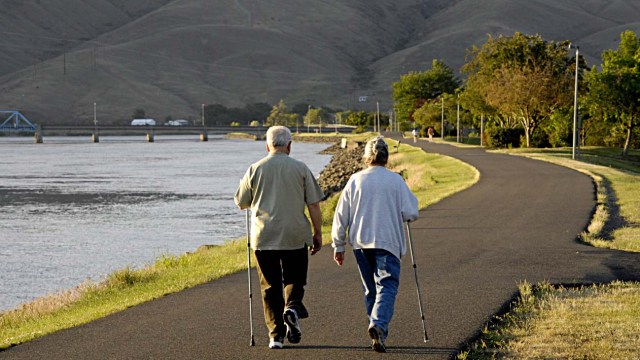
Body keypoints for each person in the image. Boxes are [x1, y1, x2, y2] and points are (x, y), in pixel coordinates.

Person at [234, 126, 324, 349]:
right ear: (289, 145)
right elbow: (313, 203)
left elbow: (241, 202)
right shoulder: (301, 168)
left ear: (267, 145)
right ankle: (292, 307)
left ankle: (276, 335)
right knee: (295, 278)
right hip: (295, 233)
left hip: (264, 237)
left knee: (270, 286)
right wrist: (318, 232)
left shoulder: (255, 169)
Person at [331, 136, 419, 353]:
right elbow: (411, 213)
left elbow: (341, 215)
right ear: (386, 157)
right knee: (387, 285)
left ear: (366, 157)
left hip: (361, 242)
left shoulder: (356, 180)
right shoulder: (395, 180)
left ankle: (376, 334)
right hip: (387, 241)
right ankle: (378, 325)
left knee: (371, 289)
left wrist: (338, 245)